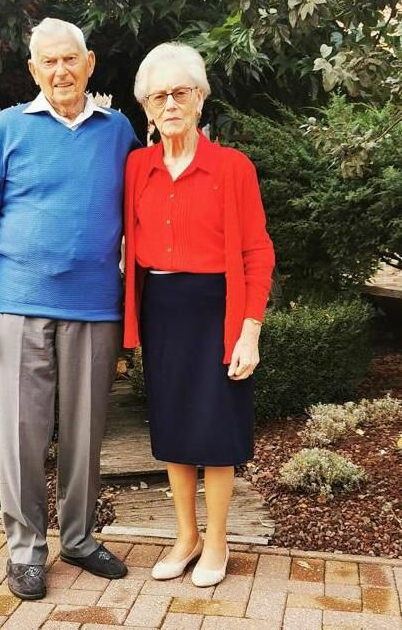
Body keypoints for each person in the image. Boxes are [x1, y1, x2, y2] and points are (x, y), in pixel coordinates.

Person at [0, 18, 140, 600]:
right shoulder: (8, 127)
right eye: (49, 62)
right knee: (22, 437)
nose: (61, 71)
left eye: (70, 59)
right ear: (34, 70)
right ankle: (25, 550)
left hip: (95, 307)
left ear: (90, 64)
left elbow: (138, 215)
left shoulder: (118, 131)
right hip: (17, 305)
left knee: (86, 436)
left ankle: (79, 539)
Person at [123, 43, 275, 587]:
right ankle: (185, 536)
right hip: (162, 308)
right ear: (146, 108)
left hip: (218, 310)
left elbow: (258, 251)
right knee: (173, 425)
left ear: (200, 99)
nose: (170, 103)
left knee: (215, 428)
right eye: (158, 96)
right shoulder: (137, 167)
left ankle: (217, 541)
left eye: (180, 92)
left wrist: (249, 331)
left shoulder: (232, 167)